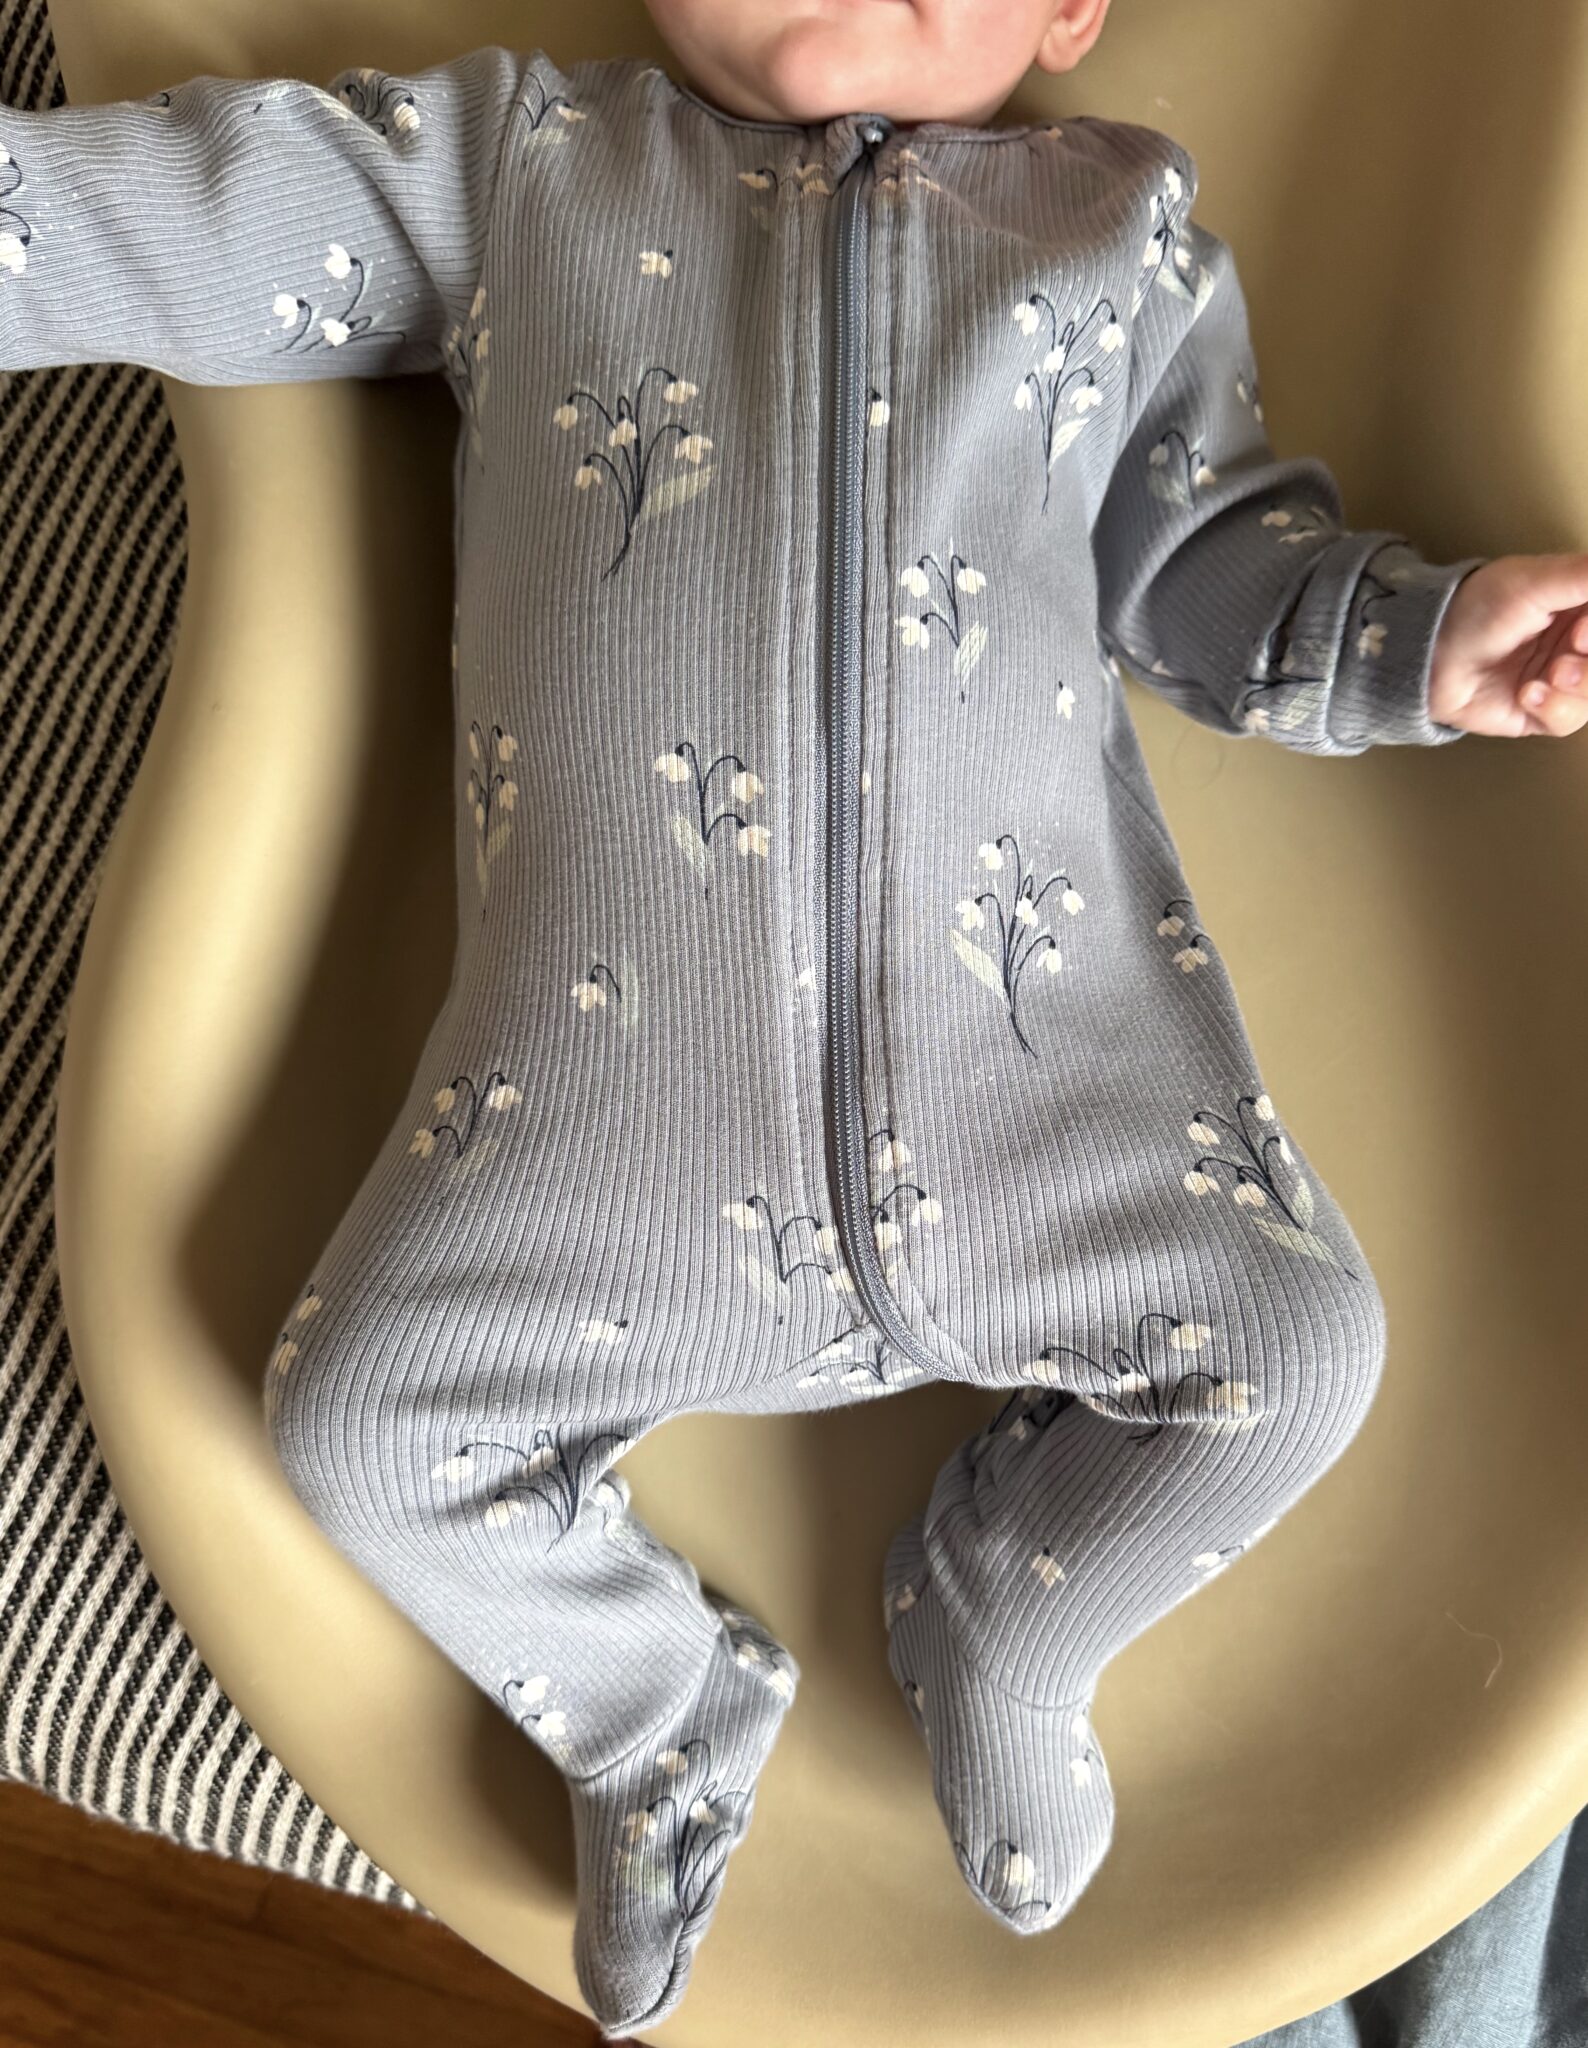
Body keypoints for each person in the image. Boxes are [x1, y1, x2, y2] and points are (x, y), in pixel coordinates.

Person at [3, 0, 1584, 2033]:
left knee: (1296, 1350)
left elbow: (1209, 566)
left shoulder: (1112, 238)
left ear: (1069, 12)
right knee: (358, 1425)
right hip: (593, 1146)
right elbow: (190, 212)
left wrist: (1417, 636)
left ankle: (995, 1620)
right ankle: (661, 1705)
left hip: (1057, 1111)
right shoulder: (519, 168)